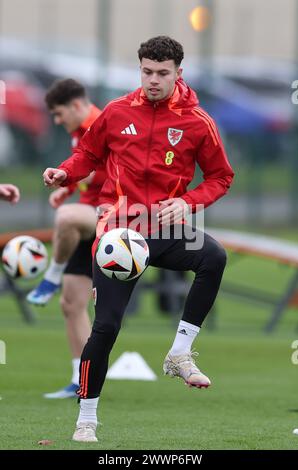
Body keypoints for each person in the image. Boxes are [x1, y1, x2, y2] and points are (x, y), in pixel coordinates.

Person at [43, 36, 234, 442]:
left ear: (178, 73)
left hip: (164, 228)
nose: (153, 80)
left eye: (162, 73)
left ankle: (180, 352)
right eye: (146, 71)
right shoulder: (115, 112)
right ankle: (87, 419)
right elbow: (89, 156)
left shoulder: (198, 122)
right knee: (107, 327)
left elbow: (221, 176)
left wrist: (188, 202)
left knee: (213, 257)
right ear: (140, 69)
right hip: (119, 232)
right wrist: (65, 172)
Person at [27, 79, 106, 399]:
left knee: (67, 217)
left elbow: (110, 170)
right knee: (72, 303)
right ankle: (80, 382)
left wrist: (71, 186)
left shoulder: (102, 126)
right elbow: (86, 167)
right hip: (89, 219)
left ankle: (51, 276)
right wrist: (68, 187)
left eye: (59, 114)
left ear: (76, 106)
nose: (57, 122)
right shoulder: (79, 132)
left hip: (112, 215)